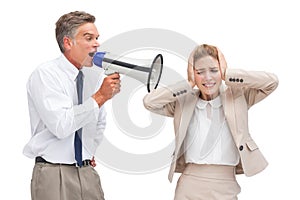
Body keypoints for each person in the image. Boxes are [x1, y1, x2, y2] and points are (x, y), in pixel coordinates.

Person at [143, 44, 278, 200]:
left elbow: (271, 83)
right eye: (200, 72)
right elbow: (149, 102)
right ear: (193, 74)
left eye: (214, 70)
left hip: (226, 185)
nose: (207, 78)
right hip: (189, 184)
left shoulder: (238, 97)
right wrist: (188, 84)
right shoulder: (183, 101)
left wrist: (228, 74)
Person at [23, 11, 121, 200]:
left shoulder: (93, 76)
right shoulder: (45, 75)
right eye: (89, 38)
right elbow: (61, 126)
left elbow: (99, 122)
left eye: (97, 38)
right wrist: (100, 96)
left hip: (86, 171)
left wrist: (88, 151)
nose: (97, 43)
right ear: (68, 43)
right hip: (54, 172)